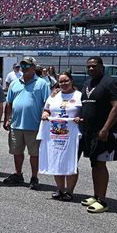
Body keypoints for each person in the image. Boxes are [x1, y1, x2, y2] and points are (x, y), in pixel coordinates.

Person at [79, 56, 117, 213]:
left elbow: (116, 107)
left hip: (105, 131)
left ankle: (103, 201)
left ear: (101, 67)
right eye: (89, 66)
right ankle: (96, 195)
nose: (91, 68)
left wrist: (105, 129)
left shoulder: (110, 82)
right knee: (94, 162)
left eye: (94, 66)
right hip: (89, 131)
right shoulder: (87, 83)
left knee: (100, 164)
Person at [3, 56, 50, 189]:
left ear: (34, 68)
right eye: (22, 66)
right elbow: (9, 103)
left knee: (34, 153)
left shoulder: (42, 84)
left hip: (34, 125)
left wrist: (45, 118)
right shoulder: (15, 83)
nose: (24, 68)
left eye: (27, 66)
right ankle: (18, 174)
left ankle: (34, 177)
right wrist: (7, 119)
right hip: (16, 124)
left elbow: (47, 104)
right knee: (17, 151)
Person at [38, 72, 81, 201]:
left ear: (71, 80)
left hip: (71, 134)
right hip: (55, 134)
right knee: (56, 160)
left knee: (70, 161)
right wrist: (45, 114)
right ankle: (60, 189)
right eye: (61, 81)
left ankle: (70, 191)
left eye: (66, 80)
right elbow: (47, 109)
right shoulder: (54, 95)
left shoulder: (79, 95)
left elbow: (85, 112)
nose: (64, 84)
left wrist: (80, 118)